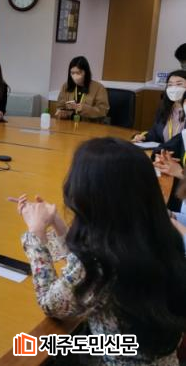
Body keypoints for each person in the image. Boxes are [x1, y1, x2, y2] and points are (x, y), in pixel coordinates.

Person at [16, 138, 186, 364]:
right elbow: (84, 271)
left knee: (33, 346)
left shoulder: (101, 260)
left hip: (114, 352)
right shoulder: (157, 232)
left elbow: (51, 304)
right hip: (142, 349)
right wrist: (58, 226)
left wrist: (36, 234)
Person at [132, 70, 186, 143]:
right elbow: (155, 133)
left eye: (179, 84)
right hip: (164, 149)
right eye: (170, 85)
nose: (174, 88)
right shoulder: (165, 108)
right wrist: (144, 137)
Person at [55, 56, 109, 122]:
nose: (75, 76)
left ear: (86, 72)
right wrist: (62, 113)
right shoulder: (66, 86)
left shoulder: (99, 87)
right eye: (72, 73)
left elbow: (103, 111)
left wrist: (84, 108)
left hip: (89, 126)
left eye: (78, 73)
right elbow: (60, 107)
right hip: (69, 125)